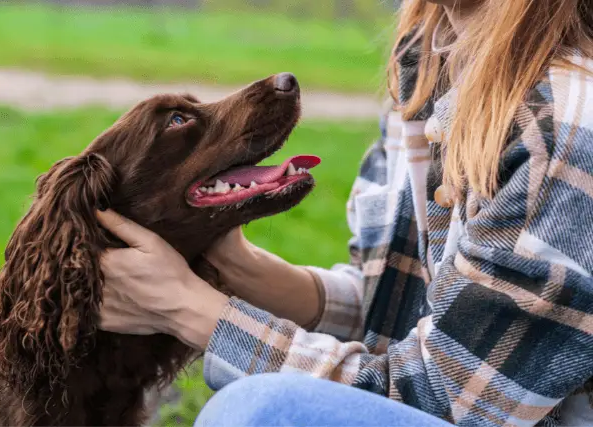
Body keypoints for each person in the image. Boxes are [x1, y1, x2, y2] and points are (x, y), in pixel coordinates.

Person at [96, 0, 593, 425]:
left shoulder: (565, 124)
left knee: (264, 411)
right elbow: (403, 307)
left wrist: (191, 310)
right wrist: (237, 271)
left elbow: (445, 399)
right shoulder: (428, 60)